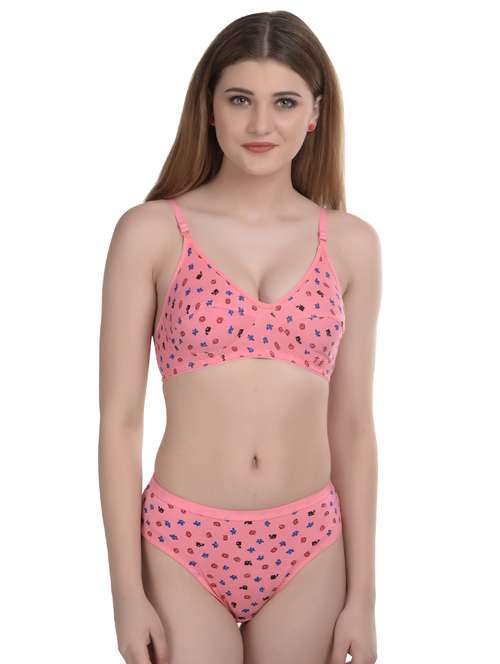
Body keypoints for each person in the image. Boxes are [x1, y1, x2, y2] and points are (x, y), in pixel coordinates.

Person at [99, 10, 381, 664]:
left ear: (315, 113)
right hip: (180, 542)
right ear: (209, 108)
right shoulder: (150, 232)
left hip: (309, 543)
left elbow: (354, 428)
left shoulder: (352, 244)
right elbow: (119, 424)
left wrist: (363, 596)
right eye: (239, 100)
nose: (260, 125)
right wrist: (125, 593)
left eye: (284, 102)